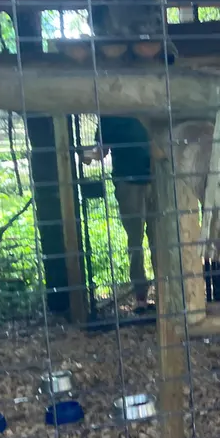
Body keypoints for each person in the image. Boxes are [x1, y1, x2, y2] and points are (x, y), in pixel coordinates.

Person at [82, 116, 157, 314]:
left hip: (157, 181)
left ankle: (166, 292)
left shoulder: (145, 104)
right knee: (135, 241)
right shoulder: (108, 116)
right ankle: (141, 298)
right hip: (128, 183)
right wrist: (87, 154)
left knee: (160, 238)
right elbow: (101, 151)